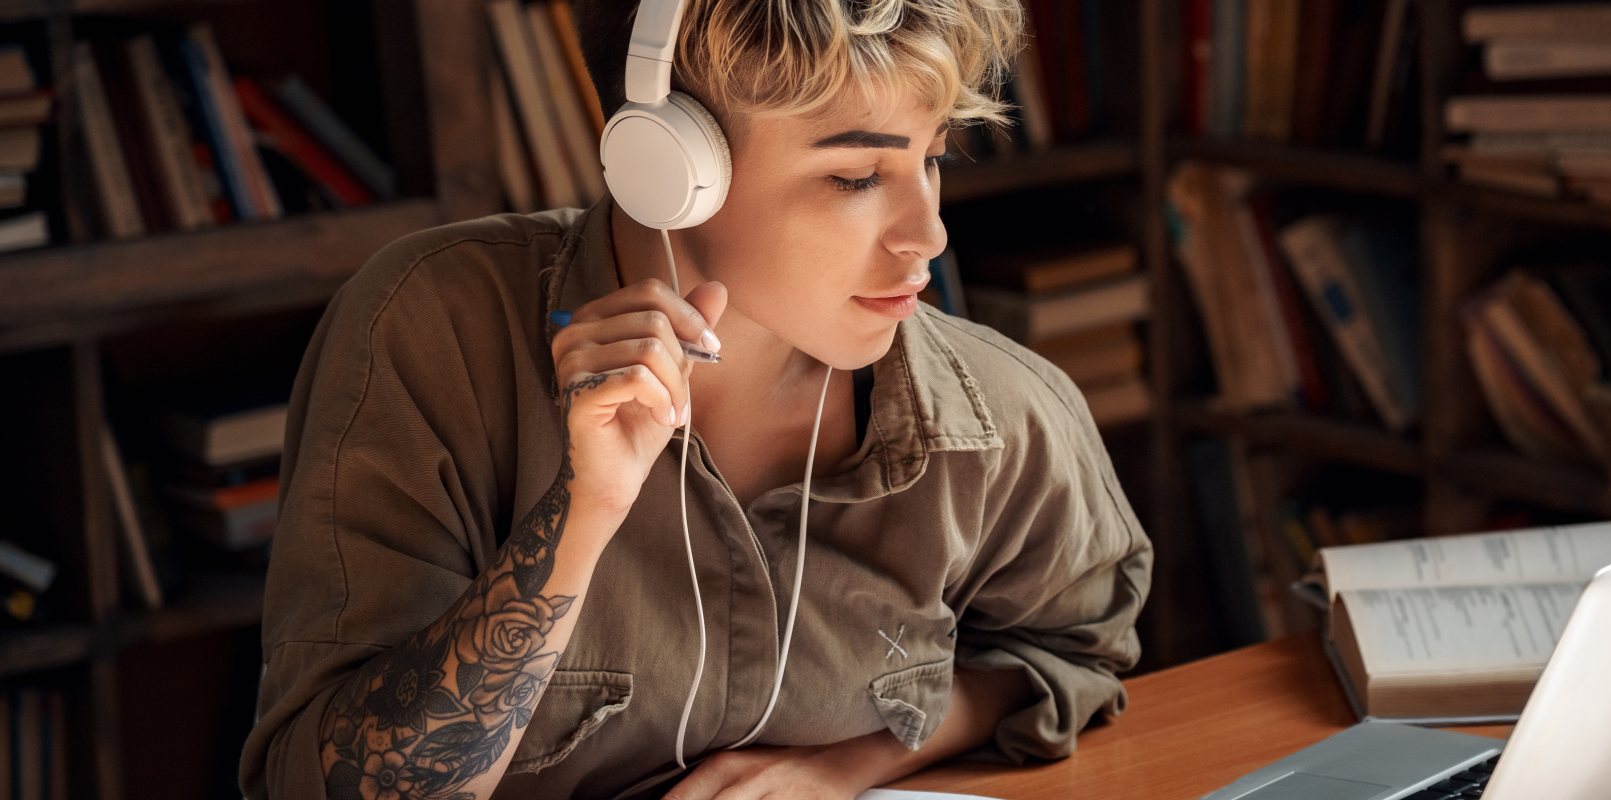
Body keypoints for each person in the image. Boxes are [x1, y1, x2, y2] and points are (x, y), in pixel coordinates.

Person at [239, 1, 1153, 798]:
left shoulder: (998, 417)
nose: (929, 235)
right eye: (855, 177)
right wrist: (580, 516)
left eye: (935, 159)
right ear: (667, 166)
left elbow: (1075, 656)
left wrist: (850, 767)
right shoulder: (430, 329)